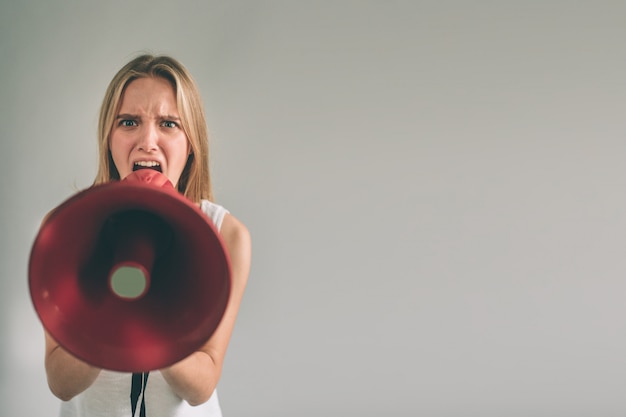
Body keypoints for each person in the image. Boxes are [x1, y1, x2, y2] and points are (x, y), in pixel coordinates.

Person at [42, 54, 252, 417]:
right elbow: (61, 382)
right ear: (108, 139)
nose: (147, 141)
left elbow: (201, 386)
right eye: (128, 122)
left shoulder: (225, 235)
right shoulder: (66, 230)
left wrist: (154, 309)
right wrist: (110, 305)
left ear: (191, 145)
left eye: (169, 124)